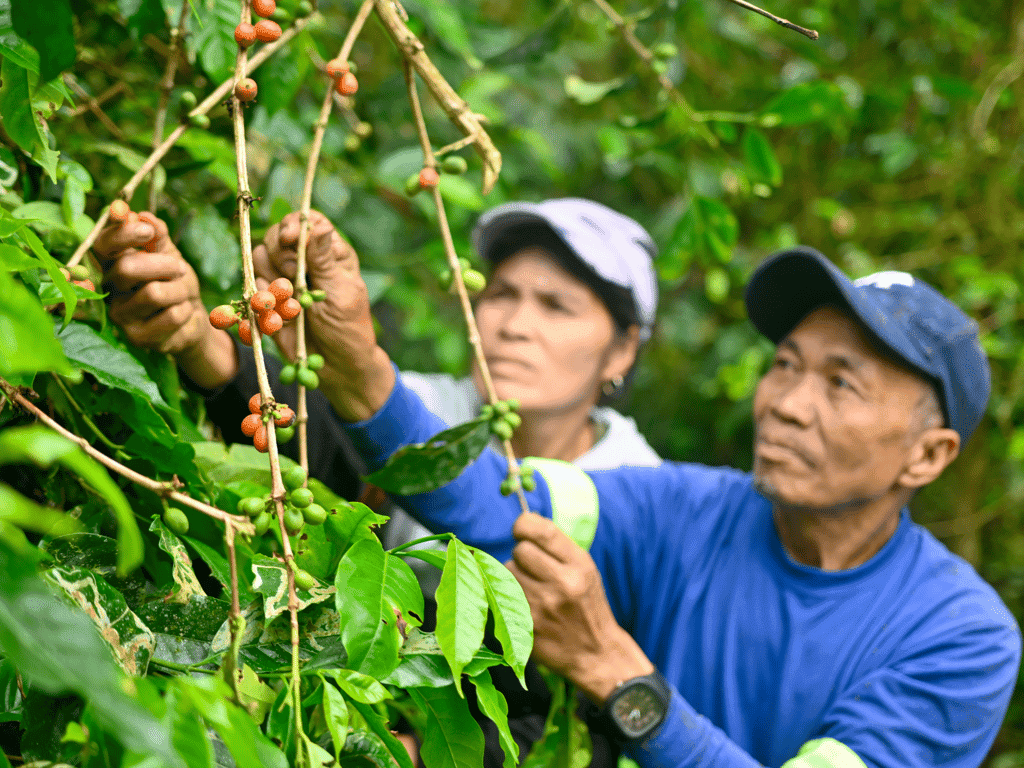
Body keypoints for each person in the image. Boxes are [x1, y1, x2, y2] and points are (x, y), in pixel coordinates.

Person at [261, 234, 1021, 768]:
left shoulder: (960, 635)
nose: (787, 403)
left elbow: (612, 672)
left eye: (841, 383)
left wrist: (616, 672)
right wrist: (357, 366)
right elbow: (492, 507)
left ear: (928, 455)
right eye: (786, 365)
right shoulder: (686, 508)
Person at [92, 197, 664, 766]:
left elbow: (597, 714)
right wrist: (196, 337)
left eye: (557, 306)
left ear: (623, 349)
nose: (515, 327)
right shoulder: (423, 407)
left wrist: (410, 753)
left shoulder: (644, 496)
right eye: (502, 295)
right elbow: (319, 446)